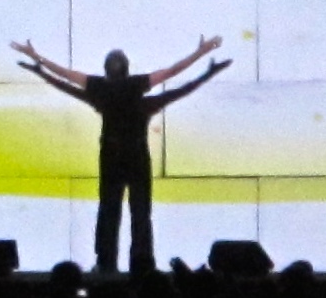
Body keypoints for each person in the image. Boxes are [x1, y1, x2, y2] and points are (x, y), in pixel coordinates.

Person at [11, 35, 229, 275]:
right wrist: (203, 61)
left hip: (111, 155)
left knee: (108, 211)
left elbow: (65, 79)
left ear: (106, 70)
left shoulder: (99, 90)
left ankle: (106, 263)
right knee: (140, 212)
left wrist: (38, 64)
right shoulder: (137, 90)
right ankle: (142, 262)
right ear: (126, 69)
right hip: (137, 155)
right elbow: (175, 78)